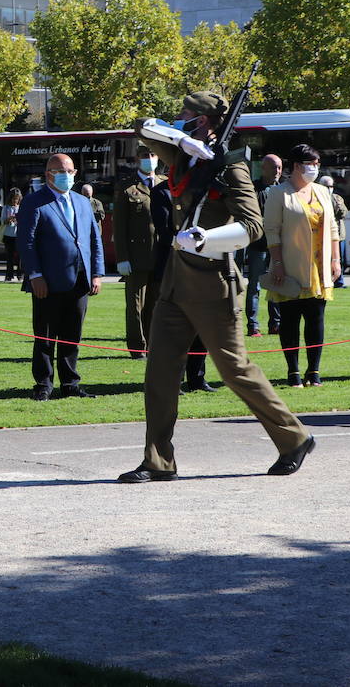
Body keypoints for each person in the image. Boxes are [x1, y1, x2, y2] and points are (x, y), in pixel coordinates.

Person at [119, 91, 315, 482]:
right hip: (176, 281)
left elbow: (252, 226)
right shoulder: (186, 155)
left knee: (234, 370)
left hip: (213, 283)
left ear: (205, 120)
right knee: (159, 371)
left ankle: (293, 437)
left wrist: (207, 238)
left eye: (186, 115)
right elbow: (141, 126)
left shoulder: (230, 167)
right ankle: (158, 461)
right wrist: (181, 139)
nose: (179, 118)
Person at [19, 154, 104, 400]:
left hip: (80, 280)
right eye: (60, 171)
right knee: (45, 335)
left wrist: (96, 274)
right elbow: (27, 243)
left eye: (69, 171)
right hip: (47, 281)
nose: (66, 175)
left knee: (72, 334)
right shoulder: (34, 202)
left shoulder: (81, 201)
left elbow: (93, 240)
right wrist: (35, 275)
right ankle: (43, 385)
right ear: (48, 174)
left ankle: (70, 384)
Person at [264, 144, 342, 387]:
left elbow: (332, 229)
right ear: (297, 166)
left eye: (317, 164)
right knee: (290, 319)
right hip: (290, 265)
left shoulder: (322, 192)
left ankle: (314, 371)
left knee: (316, 319)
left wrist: (335, 259)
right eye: (311, 164)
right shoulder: (279, 193)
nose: (315, 168)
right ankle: (293, 372)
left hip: (320, 267)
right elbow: (272, 231)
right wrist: (277, 263)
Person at [150, 180, 213, 392]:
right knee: (175, 329)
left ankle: (197, 378)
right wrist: (184, 239)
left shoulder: (203, 188)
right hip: (173, 264)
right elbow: (164, 227)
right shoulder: (161, 192)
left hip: (202, 264)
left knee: (201, 326)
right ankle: (172, 380)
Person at [113, 145, 162, 359]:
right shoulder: (127, 187)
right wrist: (122, 257)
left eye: (152, 155)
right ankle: (137, 346)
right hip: (136, 255)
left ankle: (153, 343)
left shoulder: (164, 184)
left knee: (156, 303)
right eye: (144, 156)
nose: (149, 159)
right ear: (137, 158)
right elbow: (119, 226)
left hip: (160, 256)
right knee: (136, 305)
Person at [242, 153, 282, 336]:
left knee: (276, 285)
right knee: (255, 286)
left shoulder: (282, 189)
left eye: (280, 167)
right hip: (258, 246)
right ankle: (253, 325)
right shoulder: (253, 189)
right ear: (264, 168)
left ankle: (276, 324)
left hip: (278, 246)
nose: (277, 171)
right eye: (274, 167)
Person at [317, 175, 348, 288]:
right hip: (323, 235)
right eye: (326, 186)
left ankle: (339, 281)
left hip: (339, 235)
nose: (329, 188)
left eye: (331, 186)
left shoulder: (337, 198)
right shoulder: (315, 198)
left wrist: (335, 202)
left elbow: (343, 213)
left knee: (339, 259)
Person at [0, 188, 23, 282]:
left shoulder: (21, 208)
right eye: (13, 198)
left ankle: (20, 275)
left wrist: (18, 219)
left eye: (16, 199)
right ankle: (9, 275)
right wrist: (9, 219)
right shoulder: (6, 208)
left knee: (20, 257)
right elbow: (2, 221)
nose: (15, 201)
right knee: (10, 257)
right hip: (8, 235)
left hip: (19, 235)